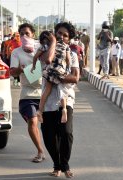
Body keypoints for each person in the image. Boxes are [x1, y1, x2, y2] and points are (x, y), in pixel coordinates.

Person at [41, 22, 79, 178]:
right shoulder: (45, 52)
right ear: (53, 35)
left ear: (69, 39)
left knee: (66, 133)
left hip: (66, 99)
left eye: (66, 35)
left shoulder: (73, 54)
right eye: (59, 34)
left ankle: (65, 165)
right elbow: (47, 61)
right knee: (49, 136)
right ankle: (56, 164)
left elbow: (75, 77)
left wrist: (57, 77)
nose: (62, 37)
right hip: (48, 101)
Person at [9, 23, 45, 163]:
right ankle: (40, 151)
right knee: (32, 121)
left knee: (49, 127)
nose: (24, 36)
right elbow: (12, 71)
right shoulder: (16, 52)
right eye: (21, 34)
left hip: (44, 92)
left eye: (27, 33)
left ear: (33, 35)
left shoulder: (41, 48)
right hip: (28, 92)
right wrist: (21, 70)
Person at [31, 30, 71, 123]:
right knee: (61, 89)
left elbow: (36, 56)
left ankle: (40, 111)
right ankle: (64, 109)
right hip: (60, 70)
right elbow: (68, 59)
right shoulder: (66, 46)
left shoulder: (47, 46)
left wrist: (33, 66)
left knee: (46, 90)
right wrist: (68, 69)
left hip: (49, 70)